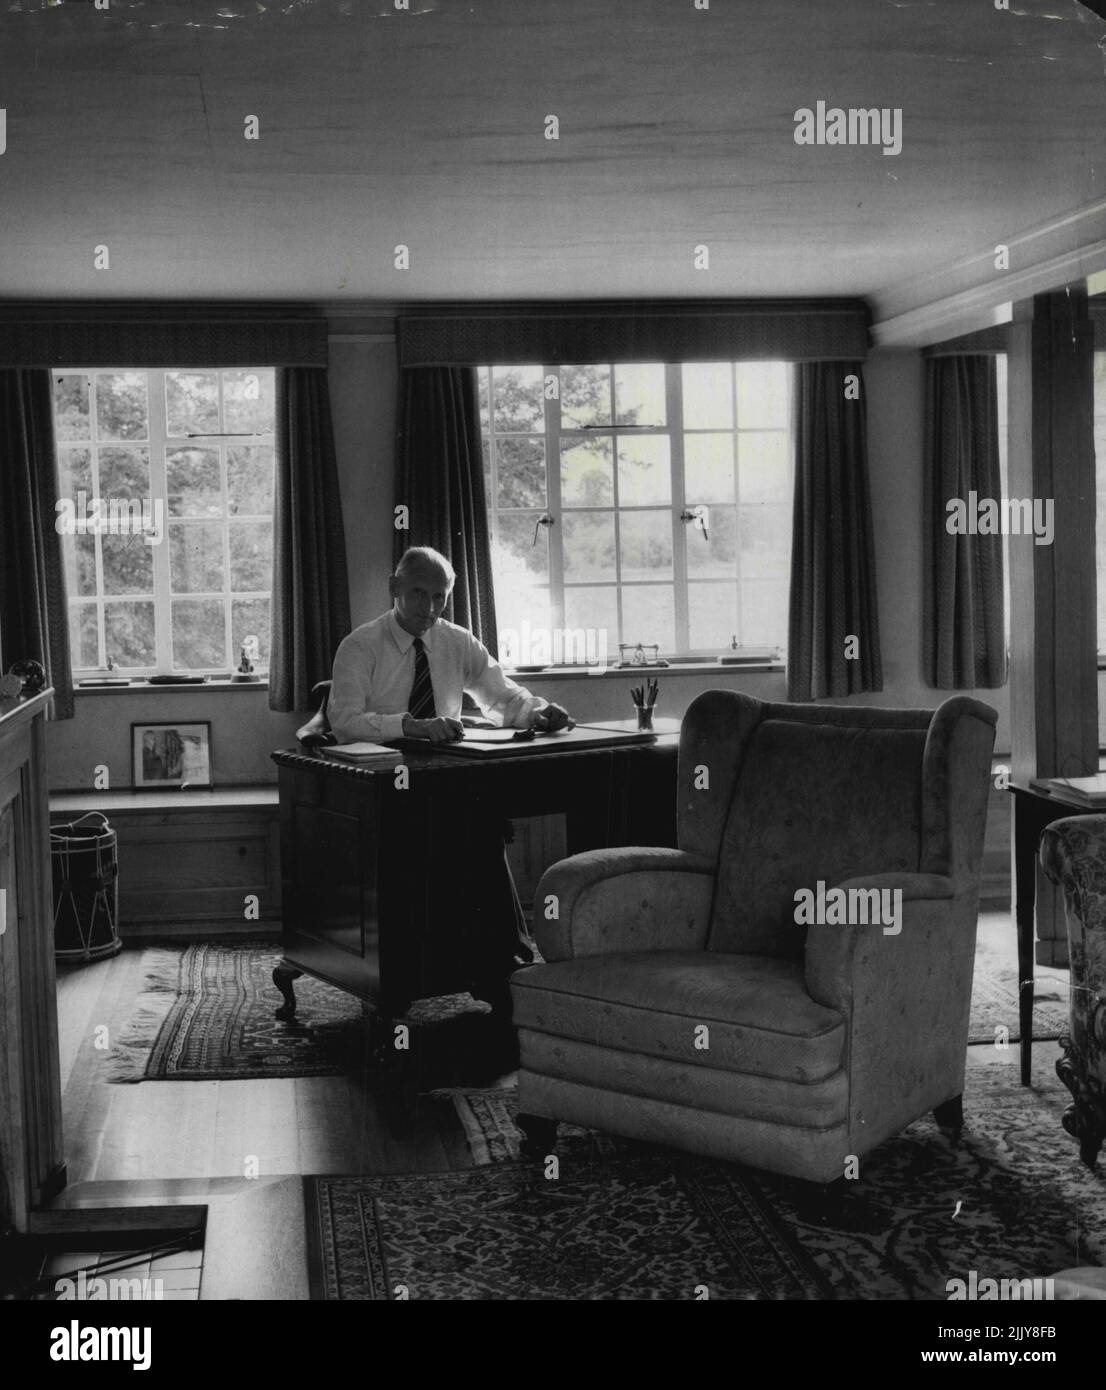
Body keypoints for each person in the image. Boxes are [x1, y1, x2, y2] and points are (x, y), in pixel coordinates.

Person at [327, 546, 572, 1055]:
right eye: (419, 593)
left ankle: (499, 967)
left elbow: (502, 698)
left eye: (440, 597)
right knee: (449, 836)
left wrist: (538, 712)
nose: (431, 607)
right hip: (380, 787)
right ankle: (415, 971)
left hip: (445, 780)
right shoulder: (361, 646)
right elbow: (343, 721)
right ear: (395, 589)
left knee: (482, 831)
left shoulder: (456, 641)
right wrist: (407, 725)